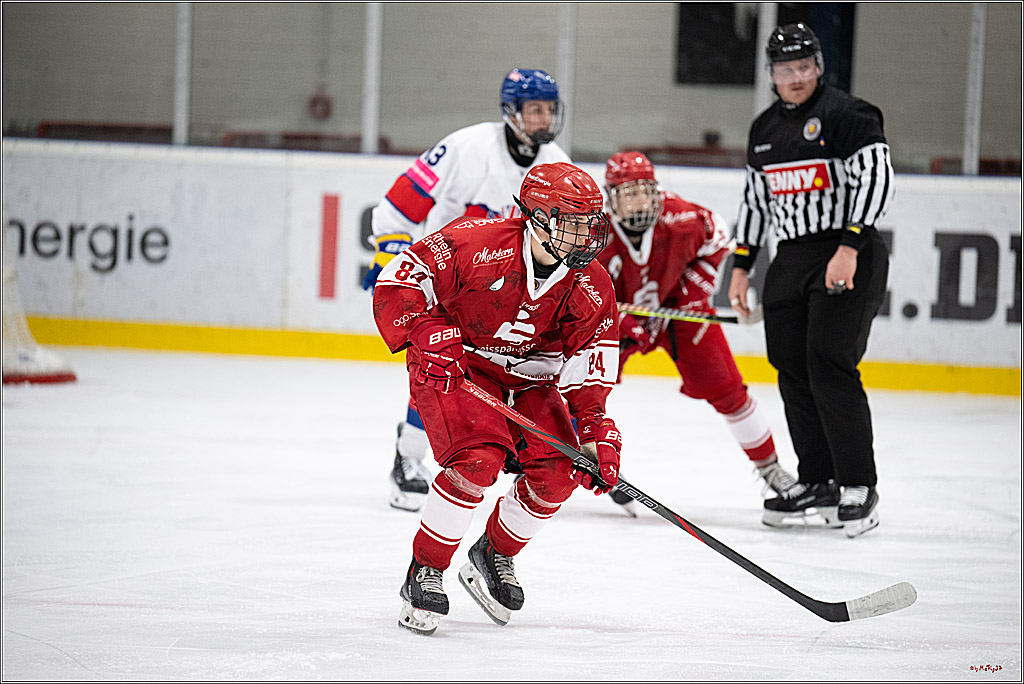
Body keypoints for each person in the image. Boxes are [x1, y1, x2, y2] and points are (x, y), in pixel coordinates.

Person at [372, 162, 622, 635]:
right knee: (477, 460)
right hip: (457, 368)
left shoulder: (592, 283)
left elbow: (591, 358)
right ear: (536, 217)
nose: (584, 237)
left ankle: (494, 554)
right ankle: (425, 569)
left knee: (559, 473)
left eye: (589, 223)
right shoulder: (474, 241)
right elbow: (397, 282)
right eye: (571, 223)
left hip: (531, 382)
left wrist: (594, 429)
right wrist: (424, 330)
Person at [363, 68, 571, 513]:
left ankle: (527, 448)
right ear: (510, 111)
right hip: (450, 279)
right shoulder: (466, 147)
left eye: (550, 109)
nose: (544, 119)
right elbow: (400, 204)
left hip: (509, 290)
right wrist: (393, 259)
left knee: (526, 368)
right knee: (439, 360)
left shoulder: (558, 163)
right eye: (535, 109)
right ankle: (409, 457)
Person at [727, 23, 895, 538]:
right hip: (791, 258)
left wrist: (849, 246)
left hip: (848, 250)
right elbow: (757, 201)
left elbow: (877, 178)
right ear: (771, 75)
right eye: (785, 69)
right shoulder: (765, 130)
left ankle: (858, 484)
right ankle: (819, 479)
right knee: (792, 368)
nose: (795, 78)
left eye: (804, 67)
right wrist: (741, 263)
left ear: (819, 67)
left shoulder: (850, 116)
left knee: (828, 362)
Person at [597, 151, 799, 516]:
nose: (641, 201)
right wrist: (615, 319)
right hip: (614, 322)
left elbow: (719, 235)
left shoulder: (683, 217)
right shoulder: (593, 231)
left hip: (677, 313)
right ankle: (584, 459)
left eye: (646, 190)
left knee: (727, 388)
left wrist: (691, 294)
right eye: (630, 193)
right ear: (611, 197)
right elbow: (575, 285)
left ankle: (770, 468)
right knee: (581, 391)